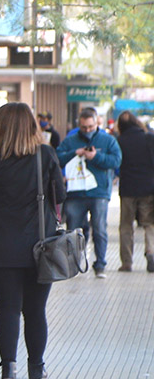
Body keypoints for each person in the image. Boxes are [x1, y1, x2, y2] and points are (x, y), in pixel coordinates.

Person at [0, 102, 66, 379]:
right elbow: (60, 195)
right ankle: (36, 373)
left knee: (8, 309)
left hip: (4, 245)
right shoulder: (46, 154)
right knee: (36, 311)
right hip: (42, 246)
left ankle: (7, 374)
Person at [56, 107, 122, 277]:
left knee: (99, 228)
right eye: (84, 127)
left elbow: (116, 160)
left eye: (90, 127)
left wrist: (96, 157)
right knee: (74, 230)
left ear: (96, 123)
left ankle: (100, 264)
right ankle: (75, 263)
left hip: (99, 192)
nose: (87, 131)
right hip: (75, 193)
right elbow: (57, 158)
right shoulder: (71, 141)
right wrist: (74, 153)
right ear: (79, 125)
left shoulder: (107, 140)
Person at [114, 110, 154, 272]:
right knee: (149, 224)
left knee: (126, 226)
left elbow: (117, 164)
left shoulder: (120, 141)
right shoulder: (149, 138)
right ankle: (151, 251)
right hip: (148, 188)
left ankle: (127, 262)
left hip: (128, 188)